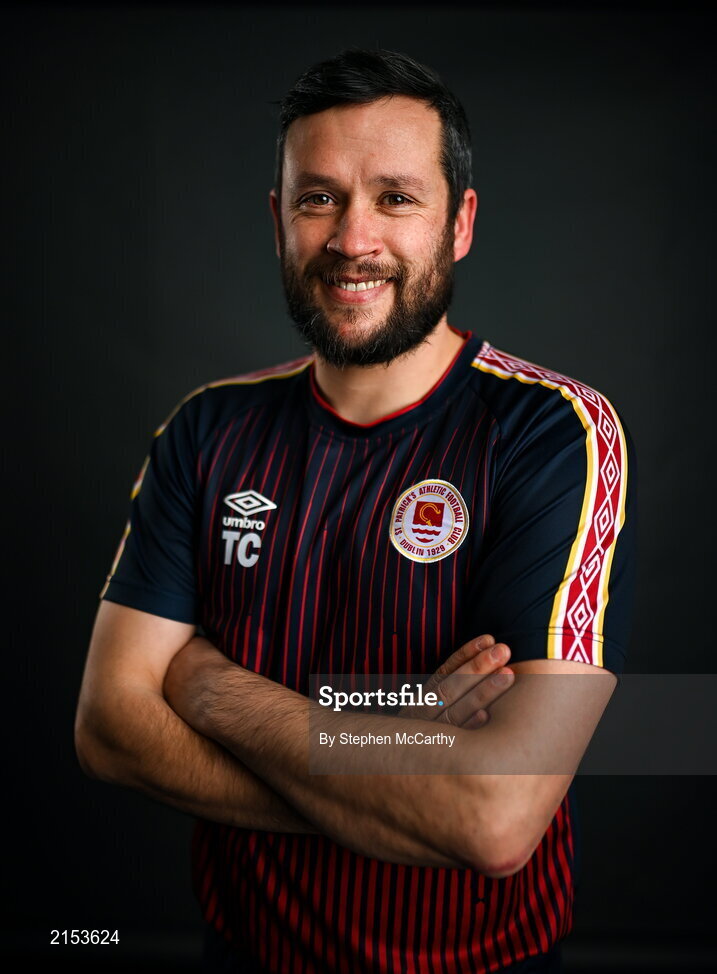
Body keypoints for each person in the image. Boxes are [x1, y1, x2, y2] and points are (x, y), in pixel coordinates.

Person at [75, 49, 636, 973]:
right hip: (243, 952)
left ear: (459, 223)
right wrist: (401, 751)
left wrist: (211, 689)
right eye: (318, 198)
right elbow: (108, 729)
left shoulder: (553, 430)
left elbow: (495, 818)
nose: (351, 238)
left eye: (395, 198)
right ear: (278, 221)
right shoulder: (206, 429)